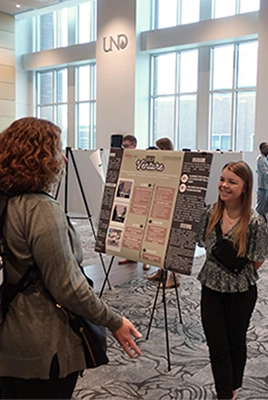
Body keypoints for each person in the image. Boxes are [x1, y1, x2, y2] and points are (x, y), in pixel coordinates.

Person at [0, 117, 142, 400]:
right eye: (57, 150)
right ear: (38, 157)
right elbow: (67, 285)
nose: (63, 158)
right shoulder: (40, 209)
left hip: (9, 334)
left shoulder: (6, 200)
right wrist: (114, 320)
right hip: (43, 344)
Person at [196, 160, 268, 400]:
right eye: (222, 179)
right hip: (211, 288)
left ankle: (233, 385)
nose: (224, 185)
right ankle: (225, 393)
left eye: (232, 181)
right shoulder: (208, 214)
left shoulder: (256, 223)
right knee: (217, 345)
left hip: (241, 291)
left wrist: (234, 271)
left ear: (245, 187)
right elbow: (197, 242)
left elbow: (258, 259)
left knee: (236, 341)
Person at [147, 137, 180, 288]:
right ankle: (162, 271)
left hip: (171, 206)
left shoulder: (175, 164)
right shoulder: (161, 164)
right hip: (160, 205)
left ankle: (174, 277)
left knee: (170, 243)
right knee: (160, 241)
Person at [118, 134, 150, 269]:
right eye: (123, 146)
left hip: (141, 196)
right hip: (128, 195)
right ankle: (131, 256)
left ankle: (145, 260)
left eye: (126, 146)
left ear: (134, 145)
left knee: (143, 228)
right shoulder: (125, 159)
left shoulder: (141, 159)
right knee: (130, 228)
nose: (124, 149)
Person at [256, 141, 268, 221]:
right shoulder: (261, 158)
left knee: (265, 207)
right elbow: (264, 172)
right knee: (261, 207)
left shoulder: (265, 158)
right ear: (261, 149)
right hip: (263, 187)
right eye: (266, 148)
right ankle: (258, 223)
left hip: (266, 186)